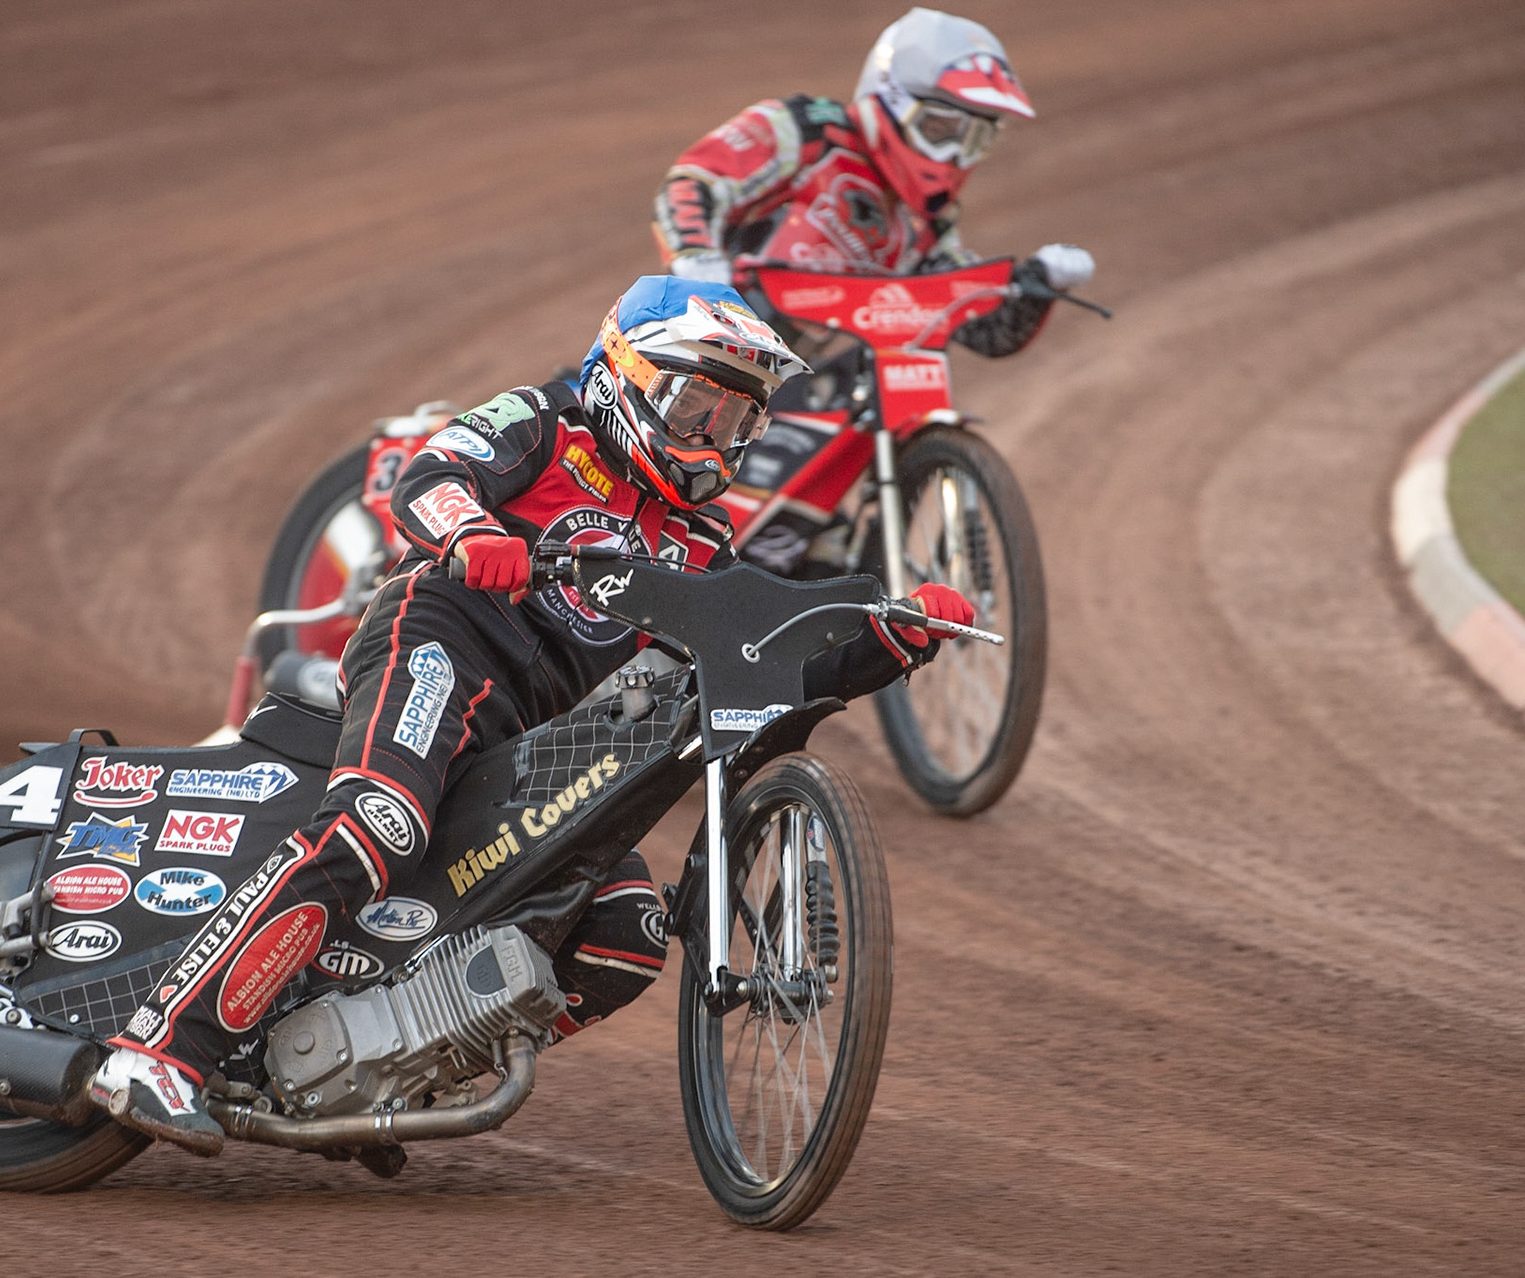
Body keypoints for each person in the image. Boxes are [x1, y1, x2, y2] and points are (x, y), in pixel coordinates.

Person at [89, 276, 975, 1153]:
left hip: (545, 729)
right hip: (444, 636)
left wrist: (889, 635)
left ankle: (381, 1074)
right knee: (378, 822)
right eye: (699, 404)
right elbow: (430, 474)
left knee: (624, 933)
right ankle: (158, 1052)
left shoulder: (700, 539)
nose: (715, 441)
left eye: (740, 420)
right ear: (627, 374)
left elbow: (756, 652)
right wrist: (474, 534)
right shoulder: (547, 419)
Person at [653, 7, 1094, 362]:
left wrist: (1038, 281)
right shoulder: (804, 131)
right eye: (942, 130)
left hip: (786, 380)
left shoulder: (925, 221)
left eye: (975, 139)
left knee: (869, 381)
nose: (955, 156)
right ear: (894, 100)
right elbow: (694, 182)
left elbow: (980, 326)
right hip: (688, 342)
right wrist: (696, 254)